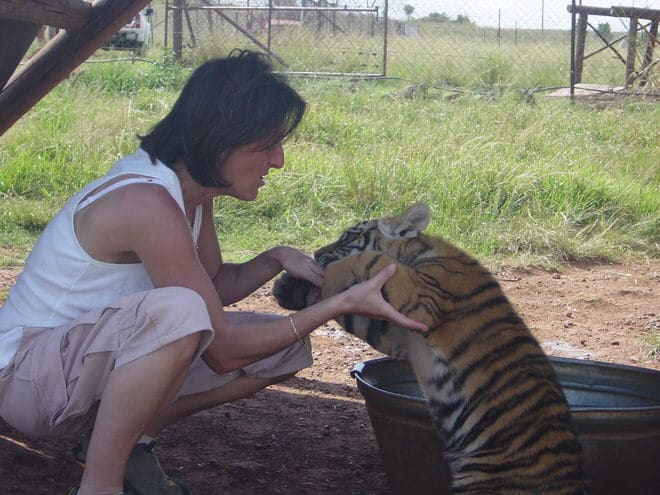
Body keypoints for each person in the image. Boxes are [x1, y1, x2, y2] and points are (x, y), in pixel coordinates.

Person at [0, 49, 427, 495]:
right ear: (219, 139)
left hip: (79, 369)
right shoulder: (146, 201)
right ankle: (100, 485)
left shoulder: (190, 193)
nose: (278, 161)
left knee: (282, 350)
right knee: (181, 315)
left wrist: (275, 257)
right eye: (266, 145)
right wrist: (339, 303)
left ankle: (125, 447)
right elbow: (218, 348)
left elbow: (212, 288)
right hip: (29, 378)